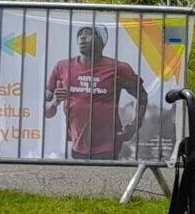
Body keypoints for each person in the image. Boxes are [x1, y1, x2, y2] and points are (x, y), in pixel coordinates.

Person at [44, 26, 147, 161]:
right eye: (80, 34)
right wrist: (54, 102)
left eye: (89, 34)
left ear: (102, 41)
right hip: (77, 146)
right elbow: (47, 112)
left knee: (107, 181)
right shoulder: (62, 66)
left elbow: (142, 97)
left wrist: (134, 126)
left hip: (109, 147)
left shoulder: (119, 68)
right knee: (81, 181)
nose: (82, 37)